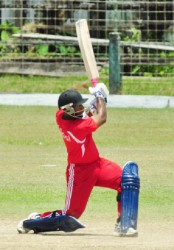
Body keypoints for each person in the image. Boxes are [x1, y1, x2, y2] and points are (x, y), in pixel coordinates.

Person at [17, 83, 139, 236]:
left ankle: (124, 224)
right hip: (80, 173)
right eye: (78, 106)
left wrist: (96, 103)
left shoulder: (60, 116)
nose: (82, 108)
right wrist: (100, 97)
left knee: (126, 181)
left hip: (97, 165)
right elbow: (101, 117)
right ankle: (34, 220)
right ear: (68, 109)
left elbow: (86, 115)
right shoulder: (77, 129)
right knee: (71, 215)